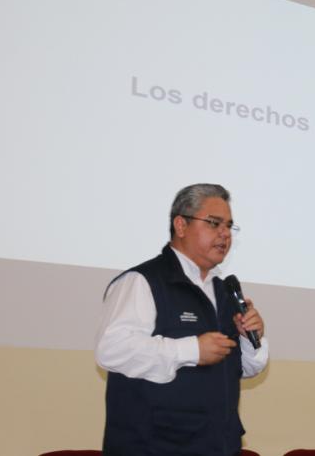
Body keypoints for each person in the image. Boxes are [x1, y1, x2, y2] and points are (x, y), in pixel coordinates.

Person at [95, 183, 268, 455]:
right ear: (181, 225)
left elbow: (245, 369)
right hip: (154, 447)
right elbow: (112, 350)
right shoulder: (142, 281)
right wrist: (191, 349)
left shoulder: (224, 292)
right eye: (214, 223)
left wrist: (249, 340)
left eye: (229, 226)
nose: (225, 234)